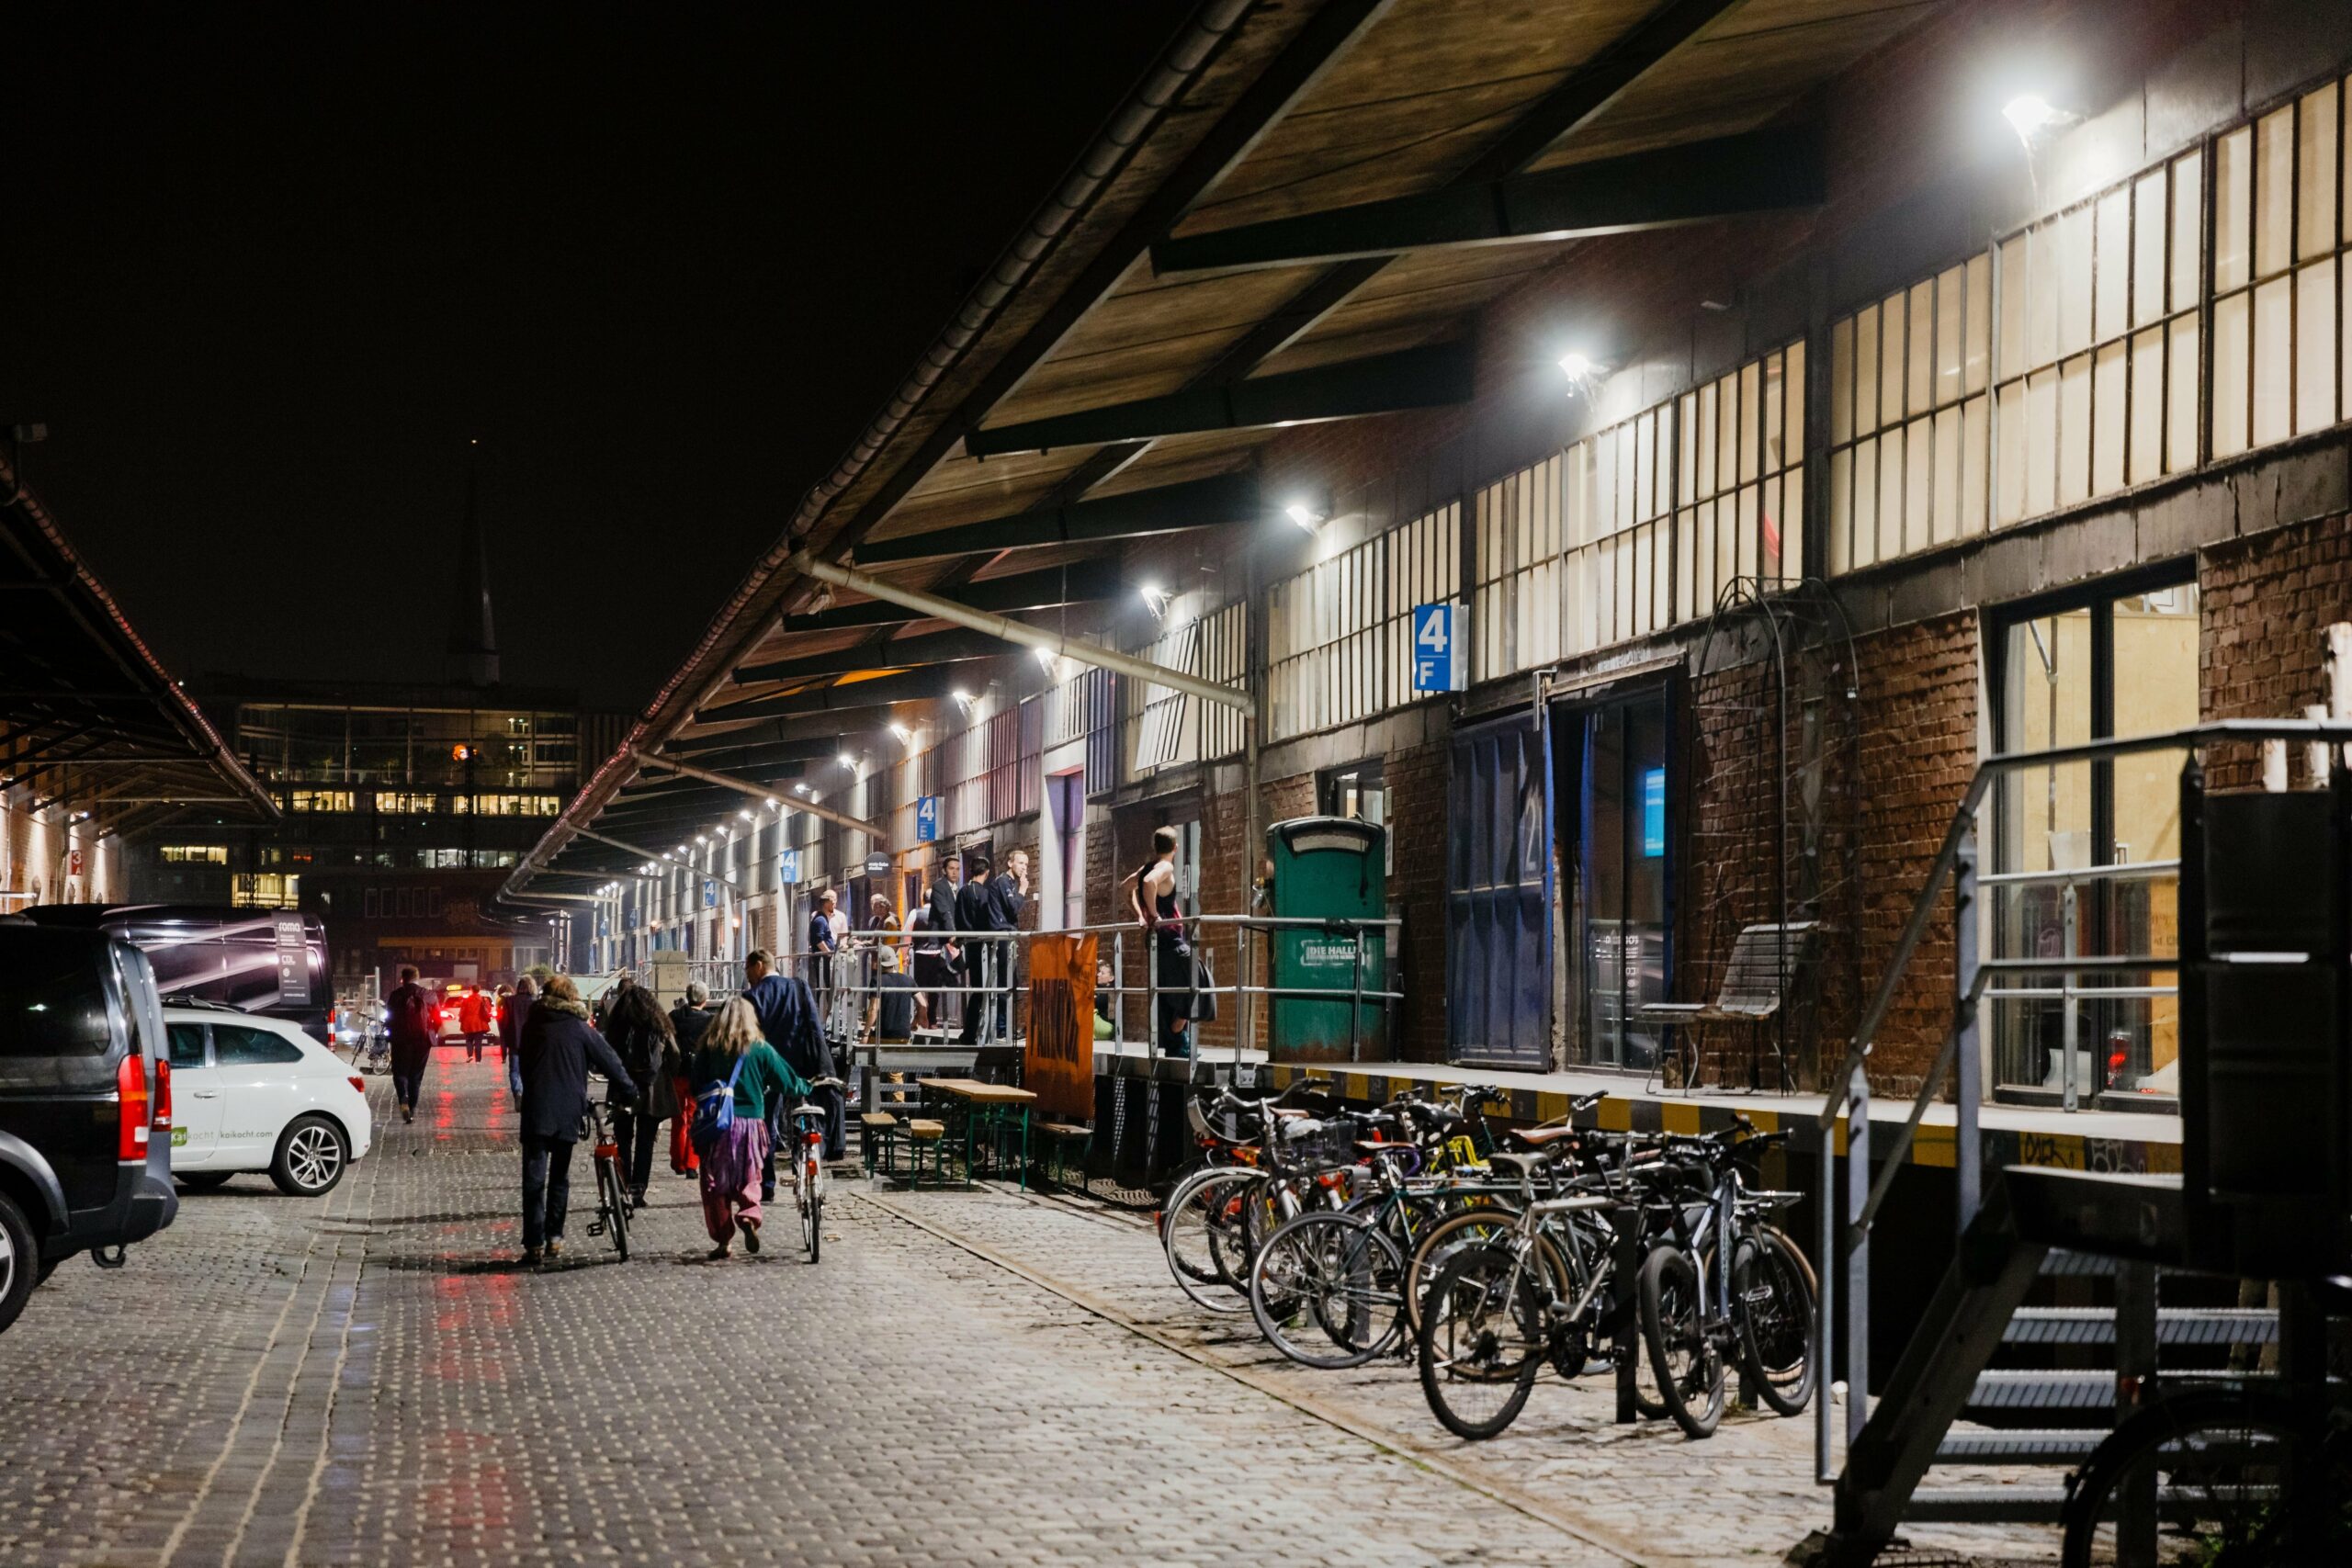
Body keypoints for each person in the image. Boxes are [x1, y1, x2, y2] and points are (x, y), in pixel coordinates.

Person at [514, 975, 639, 1267]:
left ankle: (533, 1245)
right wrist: (629, 1091)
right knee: (559, 1177)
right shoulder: (580, 1028)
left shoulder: (533, 1025)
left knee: (533, 1179)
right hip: (567, 1112)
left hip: (536, 1111)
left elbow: (525, 1061)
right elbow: (610, 1061)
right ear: (571, 999)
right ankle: (555, 1238)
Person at [685, 996, 809, 1259]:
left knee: (715, 1184)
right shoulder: (760, 1048)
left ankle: (723, 1241)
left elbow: (695, 1083)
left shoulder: (709, 1046)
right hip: (751, 1124)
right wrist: (806, 1086)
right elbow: (785, 1081)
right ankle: (749, 1216)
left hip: (718, 1124)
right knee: (750, 1175)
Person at [744, 949, 841, 1164]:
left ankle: (767, 1182)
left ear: (759, 965)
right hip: (799, 1065)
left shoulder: (752, 997)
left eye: (748, 969)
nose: (747, 975)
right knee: (802, 1114)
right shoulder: (798, 987)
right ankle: (802, 1165)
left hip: (766, 1071)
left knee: (766, 1122)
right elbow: (813, 1025)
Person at [599, 980, 673, 1210]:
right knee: (645, 1143)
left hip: (623, 1086)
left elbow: (606, 1055)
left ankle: (623, 1186)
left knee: (623, 1140)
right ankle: (639, 1191)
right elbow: (675, 1053)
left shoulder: (618, 1024)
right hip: (651, 1089)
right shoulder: (657, 1023)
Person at [1128, 826, 1196, 1058]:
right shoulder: (1165, 867)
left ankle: (1176, 1045)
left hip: (1158, 939)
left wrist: (1140, 914)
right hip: (1170, 936)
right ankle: (1179, 1034)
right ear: (1175, 848)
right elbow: (1148, 882)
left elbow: (1126, 887)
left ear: (1155, 847)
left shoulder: (1148, 865)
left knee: (1167, 991)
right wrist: (1154, 915)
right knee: (1199, 982)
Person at [664, 981, 714, 1176]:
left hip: (676, 1073)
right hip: (698, 1075)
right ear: (704, 1000)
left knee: (678, 1118)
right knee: (694, 1118)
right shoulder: (708, 1021)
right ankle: (692, 1163)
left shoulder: (674, 1017)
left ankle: (677, 1161)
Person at [383, 964, 437, 1122]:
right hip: (422, 1041)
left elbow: (390, 1017)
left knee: (400, 1072)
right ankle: (412, 1110)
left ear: (403, 979)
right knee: (416, 1076)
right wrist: (431, 1032)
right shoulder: (429, 995)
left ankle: (403, 1101)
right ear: (417, 978)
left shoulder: (395, 995)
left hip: (401, 1040)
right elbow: (438, 1019)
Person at [986, 850, 1029, 1043]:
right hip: (1003, 936)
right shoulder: (1003, 882)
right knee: (1005, 982)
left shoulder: (1010, 883)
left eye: (1026, 865)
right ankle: (1002, 1028)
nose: (1024, 868)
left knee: (1012, 982)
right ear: (1010, 863)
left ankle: (1006, 1026)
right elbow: (1013, 907)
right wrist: (1023, 890)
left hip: (1009, 936)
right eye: (1020, 863)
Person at [956, 854, 994, 1044]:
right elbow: (987, 919)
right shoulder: (984, 893)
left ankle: (969, 1031)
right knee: (983, 990)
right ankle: (975, 1032)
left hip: (968, 945)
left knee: (976, 990)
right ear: (986, 873)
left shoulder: (963, 892)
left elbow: (958, 918)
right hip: (982, 947)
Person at [922, 858, 963, 1036]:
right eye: (951, 869)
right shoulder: (939, 886)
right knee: (935, 981)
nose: (955, 872)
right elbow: (944, 911)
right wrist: (952, 932)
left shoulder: (957, 889)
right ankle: (931, 1018)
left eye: (957, 869)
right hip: (939, 938)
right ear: (945, 870)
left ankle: (950, 972)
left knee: (964, 961)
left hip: (951, 935)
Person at [866, 943, 918, 1044]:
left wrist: (865, 1033)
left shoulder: (877, 981)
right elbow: (923, 1004)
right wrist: (916, 1021)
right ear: (894, 962)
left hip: (882, 1036)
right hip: (904, 1036)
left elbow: (873, 1008)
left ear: (879, 963)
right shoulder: (908, 980)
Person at [806, 890, 842, 1022]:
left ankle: (826, 1017)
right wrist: (828, 953)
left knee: (826, 987)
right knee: (824, 987)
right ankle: (822, 1018)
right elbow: (819, 940)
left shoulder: (821, 918)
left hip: (824, 960)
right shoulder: (820, 920)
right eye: (833, 901)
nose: (835, 904)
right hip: (823, 960)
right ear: (826, 903)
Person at [502, 975, 537, 1103]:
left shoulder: (509, 1001)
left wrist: (504, 1043)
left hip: (514, 1041)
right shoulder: (535, 1002)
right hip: (532, 1043)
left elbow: (505, 1023)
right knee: (529, 1070)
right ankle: (528, 1095)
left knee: (514, 1070)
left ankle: (517, 1092)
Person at [458, 983, 492, 1062]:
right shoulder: (483, 999)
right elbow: (488, 1009)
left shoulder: (466, 1000)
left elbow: (462, 1011)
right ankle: (478, 1059)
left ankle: (470, 1055)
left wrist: (461, 1019)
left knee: (469, 1040)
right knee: (478, 1042)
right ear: (479, 990)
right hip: (480, 1023)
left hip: (468, 1023)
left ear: (471, 990)